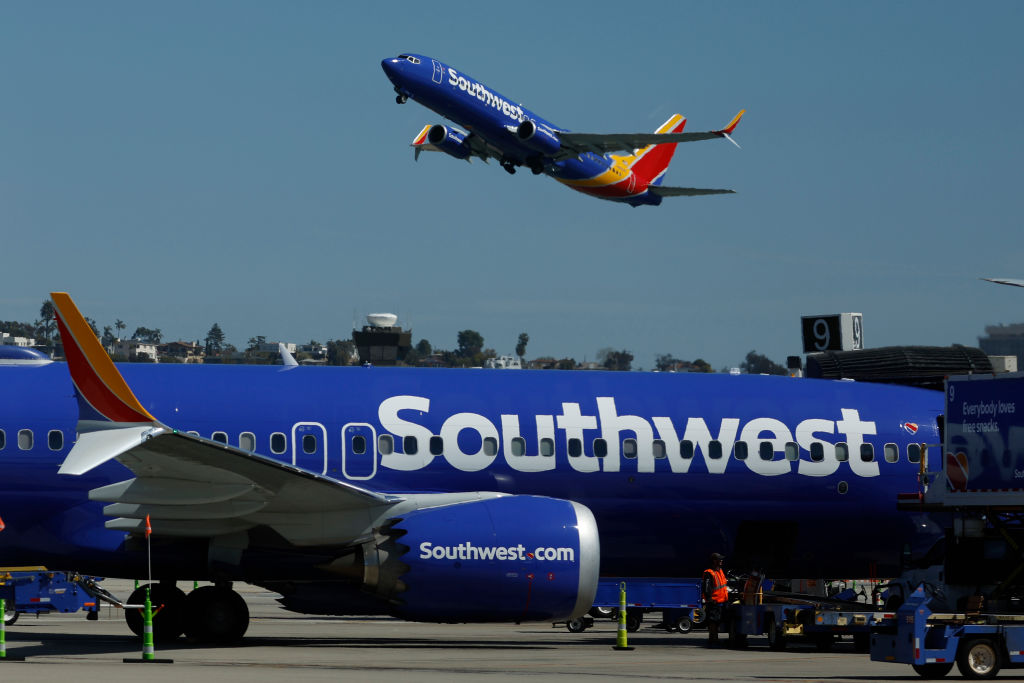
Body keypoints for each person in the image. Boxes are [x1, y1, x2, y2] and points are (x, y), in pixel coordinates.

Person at [702, 552, 728, 647]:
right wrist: (709, 599)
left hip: (721, 601)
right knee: (713, 621)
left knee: (717, 621)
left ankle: (713, 639)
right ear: (714, 561)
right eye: (719, 559)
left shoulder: (720, 571)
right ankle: (713, 640)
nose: (721, 561)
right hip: (714, 601)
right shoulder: (709, 573)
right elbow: (706, 588)